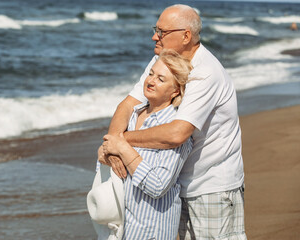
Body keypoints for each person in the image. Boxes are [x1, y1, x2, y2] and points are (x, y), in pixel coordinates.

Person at [100, 4, 247, 240]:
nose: (154, 36)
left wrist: (119, 141)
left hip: (211, 186)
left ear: (186, 36)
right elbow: (127, 105)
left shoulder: (205, 71)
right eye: (155, 29)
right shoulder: (162, 62)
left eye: (162, 32)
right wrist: (112, 147)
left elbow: (177, 134)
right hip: (178, 185)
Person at [99, 50, 193, 240]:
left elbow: (157, 185)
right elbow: (106, 153)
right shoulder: (133, 115)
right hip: (121, 228)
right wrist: (105, 153)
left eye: (160, 79)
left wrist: (123, 148)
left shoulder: (173, 127)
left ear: (175, 90)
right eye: (150, 74)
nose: (150, 81)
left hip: (151, 230)